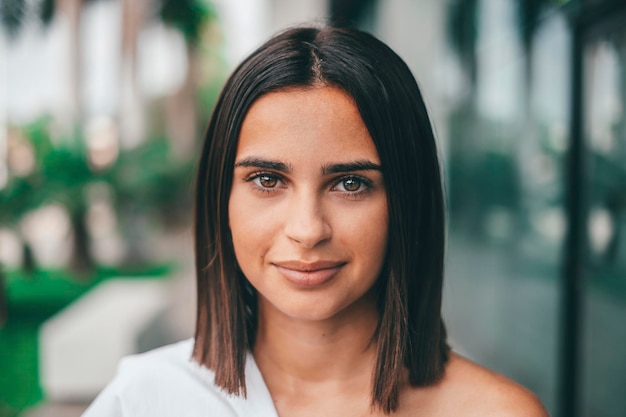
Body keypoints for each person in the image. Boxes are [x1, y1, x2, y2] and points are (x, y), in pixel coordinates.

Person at [82, 25, 548, 417]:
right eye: (267, 179)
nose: (307, 230)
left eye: (350, 184)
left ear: (407, 202)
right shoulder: (146, 401)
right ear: (220, 199)